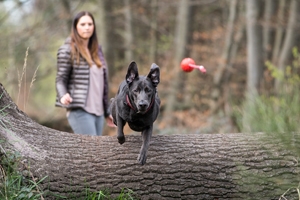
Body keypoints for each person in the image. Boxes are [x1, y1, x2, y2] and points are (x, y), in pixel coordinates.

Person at [55, 11, 115, 136]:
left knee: (95, 152)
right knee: (92, 152)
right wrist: (63, 95)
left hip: (98, 113)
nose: (87, 27)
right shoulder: (67, 50)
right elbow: (60, 79)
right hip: (80, 110)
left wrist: (106, 111)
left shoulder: (97, 51)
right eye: (83, 24)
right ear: (75, 27)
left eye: (90, 24)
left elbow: (102, 85)